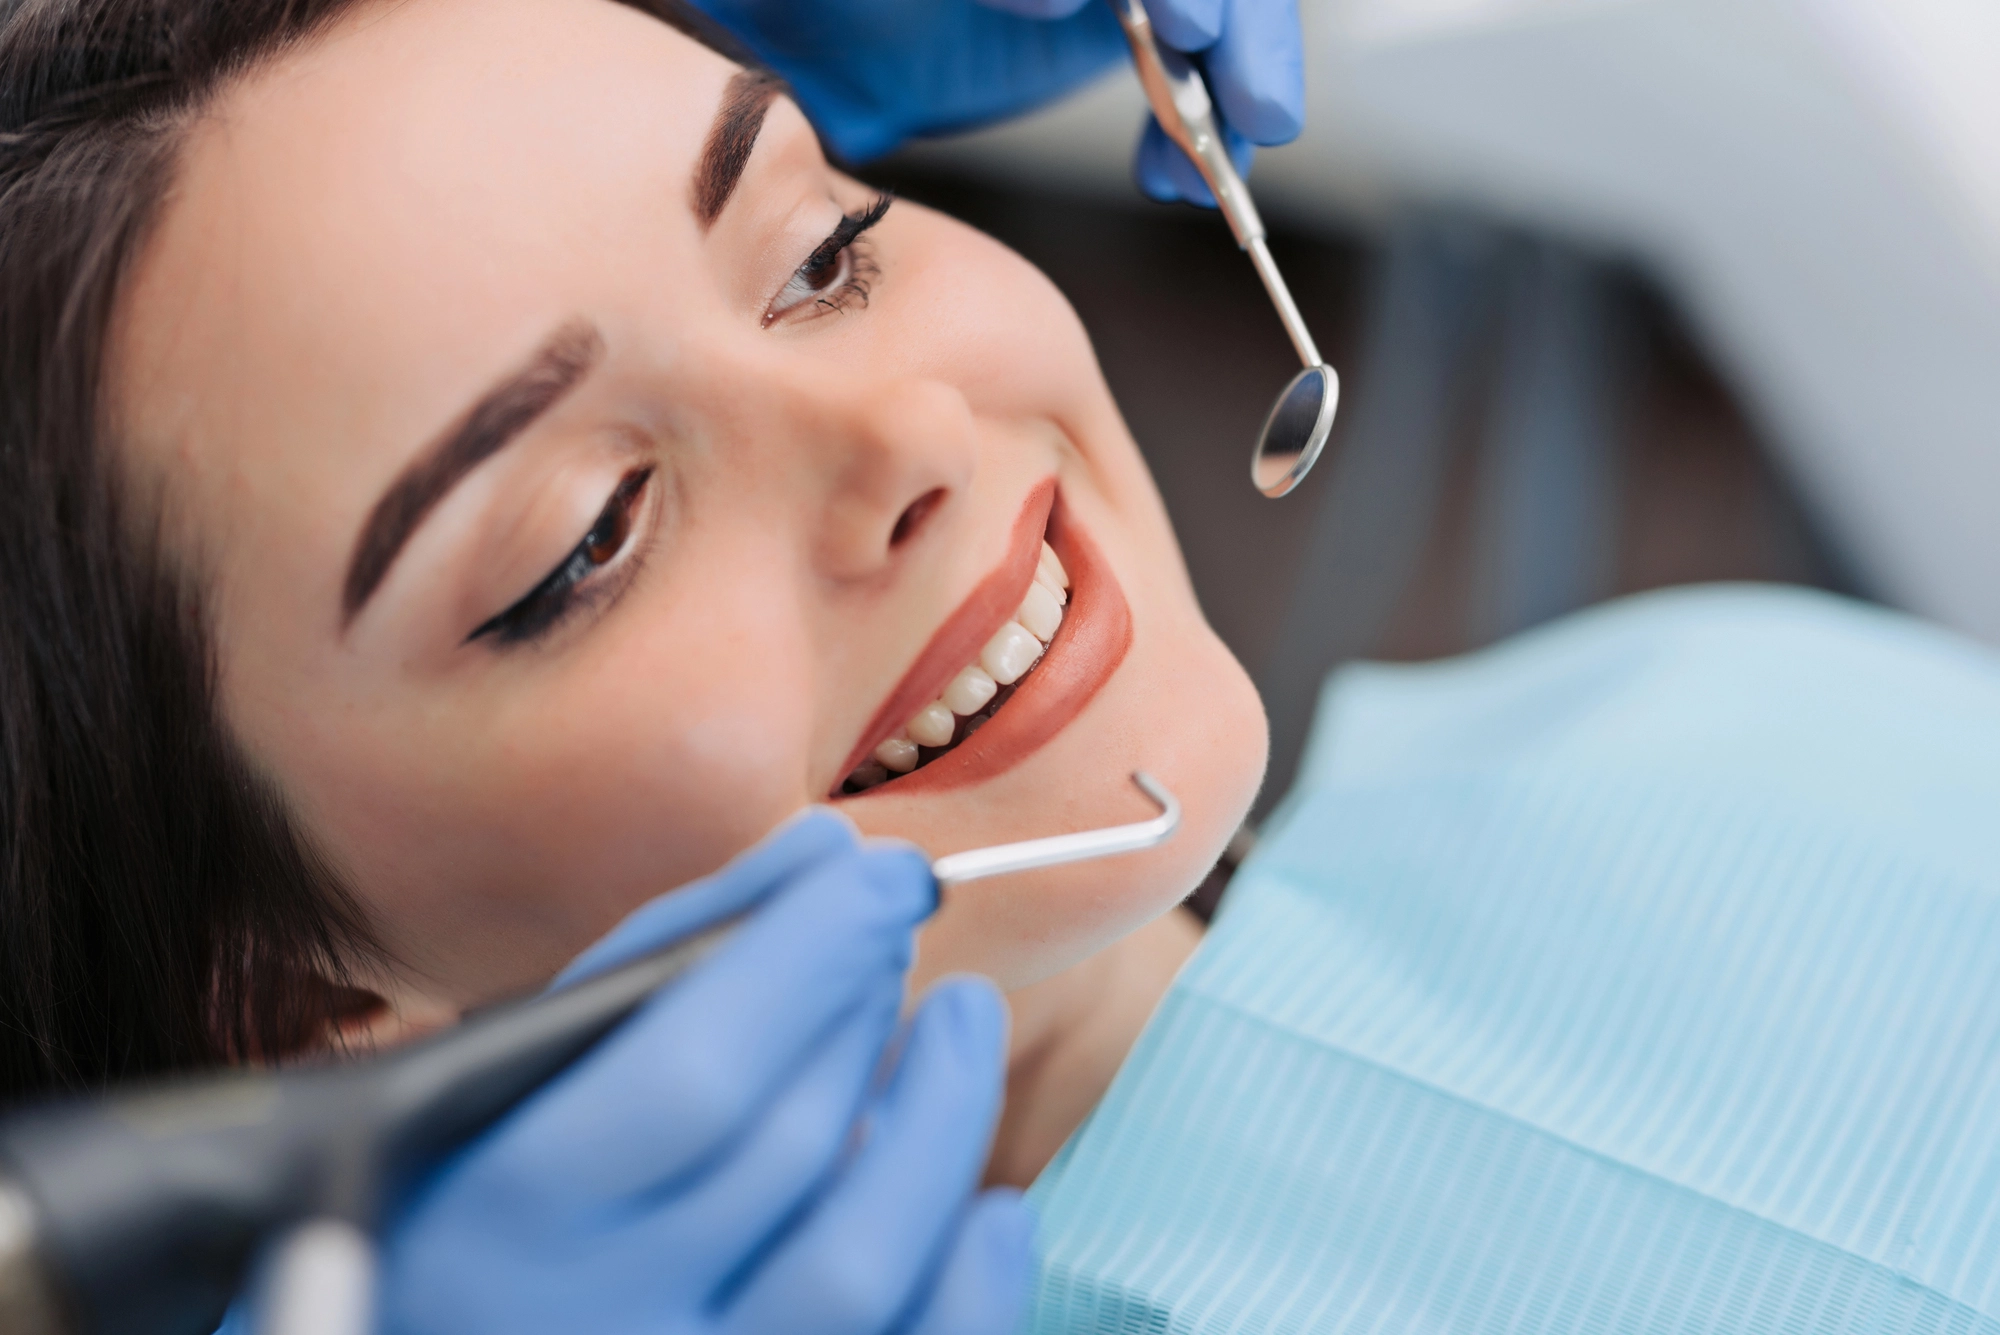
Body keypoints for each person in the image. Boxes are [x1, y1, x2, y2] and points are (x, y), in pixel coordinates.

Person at [8, 1, 2000, 1333]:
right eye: (586, 535)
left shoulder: (1695, 715)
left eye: (820, 248)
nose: (914, 441)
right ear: (296, 1017)